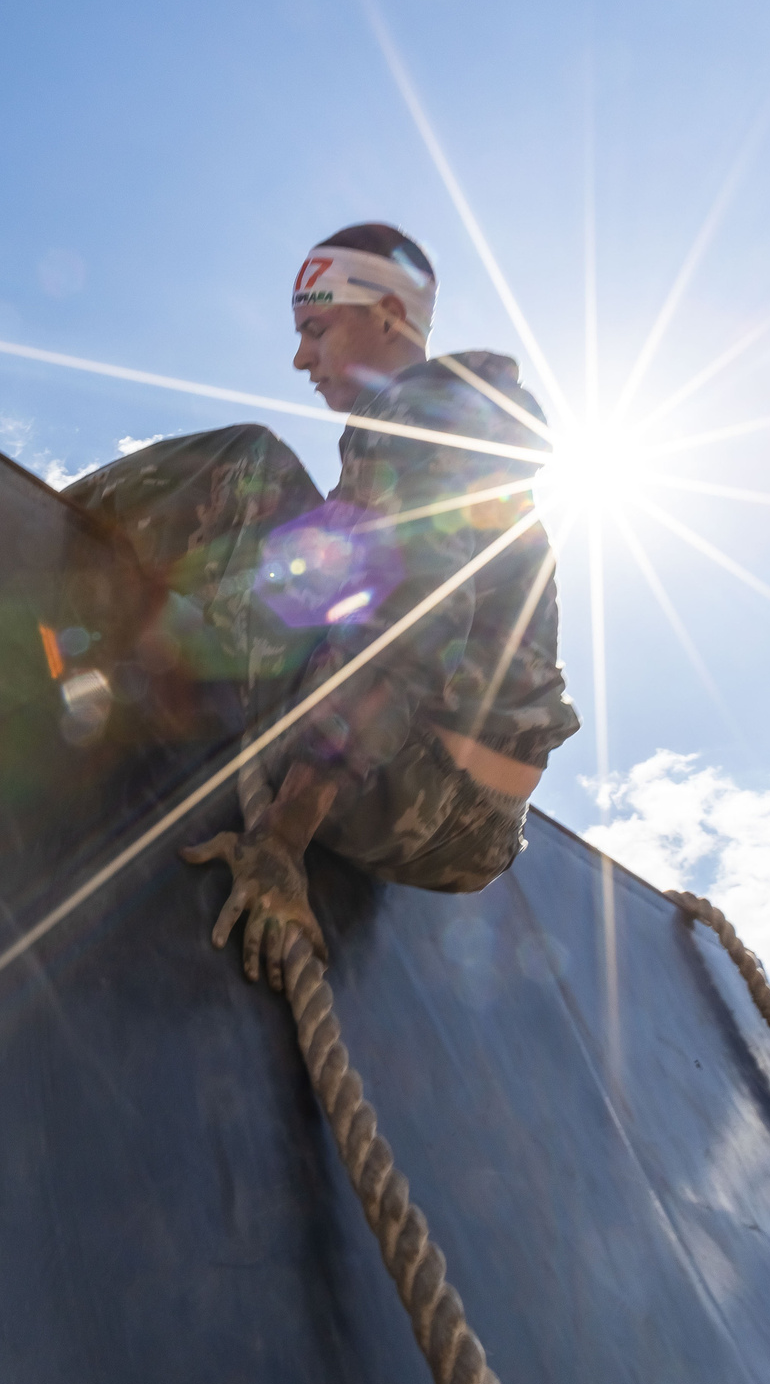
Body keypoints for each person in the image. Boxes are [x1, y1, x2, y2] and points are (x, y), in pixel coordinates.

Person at [63, 223, 579, 990]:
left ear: (388, 315)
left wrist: (283, 833)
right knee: (320, 539)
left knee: (244, 460)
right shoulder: (464, 446)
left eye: (315, 328)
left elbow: (411, 619)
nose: (301, 357)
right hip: (482, 830)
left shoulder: (419, 414)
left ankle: (14, 534)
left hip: (411, 786)